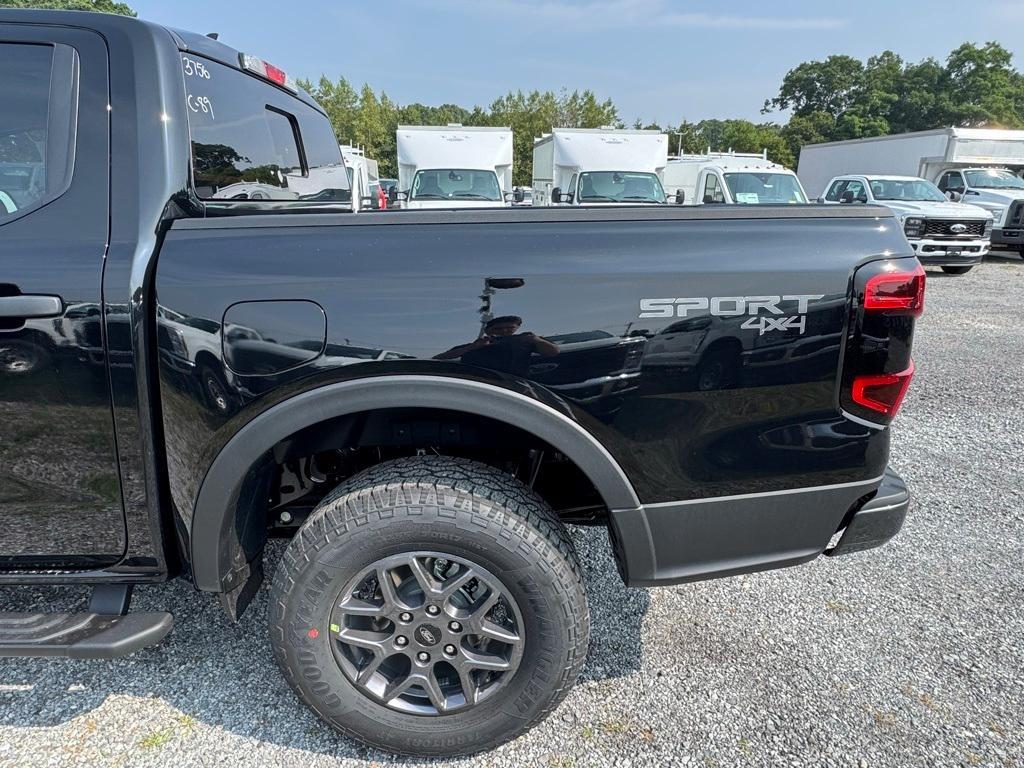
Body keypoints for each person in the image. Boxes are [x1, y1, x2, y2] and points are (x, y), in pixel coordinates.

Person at [435, 316, 558, 377]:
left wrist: (537, 340)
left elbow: (553, 352)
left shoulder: (523, 341)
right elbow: (439, 359)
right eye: (498, 329)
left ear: (517, 328)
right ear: (488, 331)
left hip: (516, 385)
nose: (504, 331)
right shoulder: (476, 345)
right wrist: (471, 348)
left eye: (509, 328)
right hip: (479, 384)